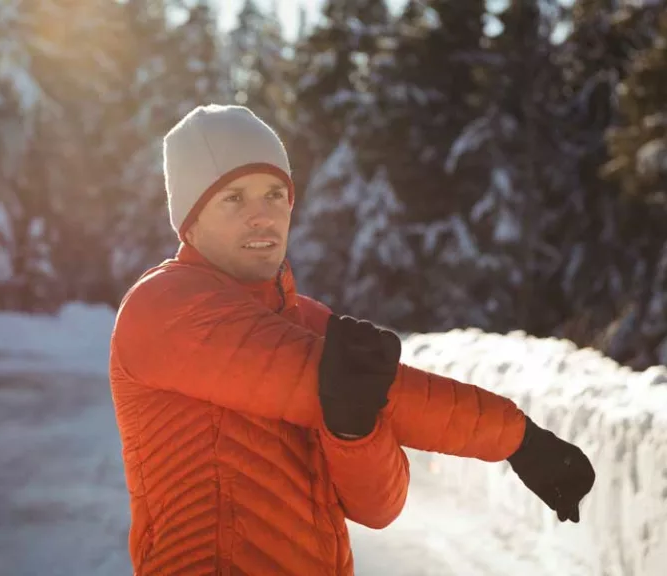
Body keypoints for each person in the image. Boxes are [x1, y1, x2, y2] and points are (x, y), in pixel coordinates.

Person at [109, 104, 596, 576]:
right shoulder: (164, 307)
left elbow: (379, 506)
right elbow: (368, 391)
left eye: (274, 194)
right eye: (233, 198)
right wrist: (516, 437)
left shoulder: (310, 321)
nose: (262, 216)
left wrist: (354, 431)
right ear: (190, 221)